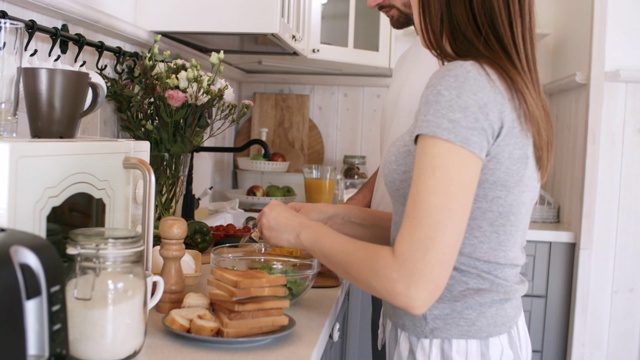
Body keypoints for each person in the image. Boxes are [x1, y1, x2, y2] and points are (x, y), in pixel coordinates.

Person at [257, 0, 552, 358]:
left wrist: (302, 232)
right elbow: (440, 239)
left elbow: (412, 283)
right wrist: (326, 217)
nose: (370, 2)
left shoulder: (463, 85)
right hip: (472, 336)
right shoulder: (499, 80)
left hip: (446, 341)